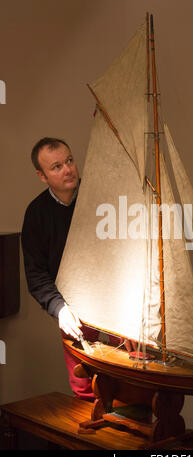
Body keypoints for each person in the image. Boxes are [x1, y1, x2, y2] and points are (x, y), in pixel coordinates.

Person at [21, 137, 98, 402]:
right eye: (56, 167)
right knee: (85, 390)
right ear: (42, 176)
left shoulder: (101, 200)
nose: (67, 169)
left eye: (69, 161)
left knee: (132, 385)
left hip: (117, 306)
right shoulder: (36, 214)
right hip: (74, 312)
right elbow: (36, 275)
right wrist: (60, 309)